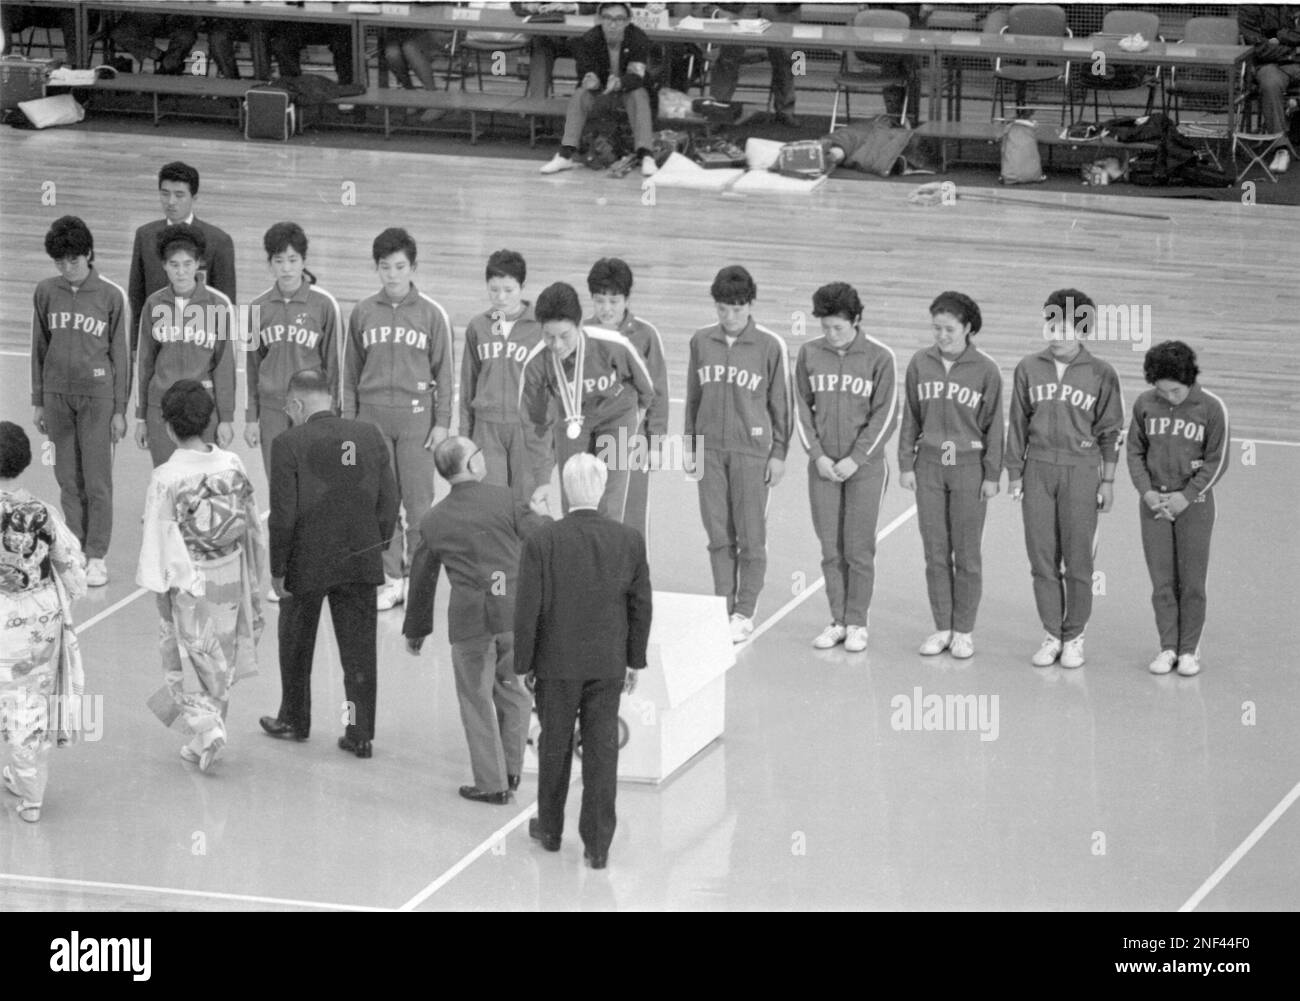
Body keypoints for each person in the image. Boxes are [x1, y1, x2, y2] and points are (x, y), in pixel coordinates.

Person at [515, 454, 652, 869]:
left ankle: (552, 830)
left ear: (565, 491)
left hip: (556, 664)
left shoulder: (543, 540)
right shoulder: (628, 540)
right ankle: (597, 845)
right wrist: (635, 661)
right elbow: (640, 605)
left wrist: (524, 663)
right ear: (603, 487)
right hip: (607, 663)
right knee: (601, 749)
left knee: (554, 745)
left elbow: (528, 608)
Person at [402, 437, 550, 803]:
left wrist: (417, 629)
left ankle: (491, 783)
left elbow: (422, 578)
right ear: (471, 466)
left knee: (476, 699)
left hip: (470, 623)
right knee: (514, 690)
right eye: (478, 453)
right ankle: (513, 771)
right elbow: (542, 536)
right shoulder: (504, 499)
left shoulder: (434, 520)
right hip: (515, 613)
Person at [261, 369, 399, 758]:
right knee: (358, 653)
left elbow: (283, 515)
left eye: (288, 408)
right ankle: (358, 732)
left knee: (295, 646)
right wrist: (377, 543)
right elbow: (390, 499)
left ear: (297, 404)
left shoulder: (287, 443)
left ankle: (294, 718)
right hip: (359, 558)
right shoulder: (369, 435)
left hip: (305, 562)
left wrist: (277, 568)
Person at [136, 381, 267, 773]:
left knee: (189, 655)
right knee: (220, 656)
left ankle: (208, 730)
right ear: (211, 420)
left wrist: (158, 586)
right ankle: (206, 733)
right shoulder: (233, 464)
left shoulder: (166, 476)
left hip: (189, 580)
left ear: (169, 427)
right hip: (229, 570)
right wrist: (256, 574)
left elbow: (157, 538)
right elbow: (252, 520)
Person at [1005, 289, 1124, 670]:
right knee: (1041, 558)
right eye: (1050, 324)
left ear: (1083, 329)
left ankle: (1074, 636)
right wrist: (1015, 474)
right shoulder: (1028, 367)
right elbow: (1017, 425)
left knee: (1077, 561)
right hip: (1038, 468)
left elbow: (1111, 431)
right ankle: (1052, 634)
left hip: (1082, 469)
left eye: (1065, 326)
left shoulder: (1102, 373)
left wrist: (1107, 482)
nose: (1055, 333)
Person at [343, 228, 453, 612]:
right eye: (385, 267)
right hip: (371, 421)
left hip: (417, 422)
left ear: (413, 267)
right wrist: (350, 424)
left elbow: (446, 373)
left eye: (400, 266)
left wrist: (442, 423)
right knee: (381, 506)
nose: (392, 275)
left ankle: (417, 580)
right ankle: (390, 579)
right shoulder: (362, 312)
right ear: (376, 268)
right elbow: (349, 374)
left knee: (420, 507)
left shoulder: (432, 315)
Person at [684, 265, 791, 644]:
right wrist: (690, 445)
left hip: (752, 452)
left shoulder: (769, 346)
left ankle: (744, 611)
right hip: (709, 450)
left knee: (750, 536)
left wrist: (778, 452)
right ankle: (721, 606)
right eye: (721, 309)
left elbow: (781, 405)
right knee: (717, 535)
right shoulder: (701, 342)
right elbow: (693, 399)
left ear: (750, 305)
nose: (729, 317)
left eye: (737, 309)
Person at [897, 292, 1003, 660]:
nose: (942, 336)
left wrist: (992, 474)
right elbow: (910, 416)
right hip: (928, 466)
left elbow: (995, 427)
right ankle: (942, 627)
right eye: (937, 328)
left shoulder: (985, 370)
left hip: (968, 468)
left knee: (967, 554)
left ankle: (964, 631)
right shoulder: (919, 363)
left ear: (968, 328)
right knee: (935, 552)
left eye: (950, 329)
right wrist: (905, 464)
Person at [793, 282, 897, 654]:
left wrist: (857, 458)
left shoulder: (880, 357)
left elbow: (886, 415)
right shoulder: (808, 354)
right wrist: (818, 455)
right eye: (825, 327)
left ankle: (857, 623)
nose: (831, 334)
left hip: (864, 470)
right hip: (823, 468)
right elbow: (801, 410)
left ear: (856, 319)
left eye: (838, 327)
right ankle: (837, 620)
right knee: (830, 549)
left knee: (858, 549)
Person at [30, 216, 130, 589]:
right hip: (57, 397)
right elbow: (38, 348)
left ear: (88, 253)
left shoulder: (110, 296)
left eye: (73, 260)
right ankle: (73, 549)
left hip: (98, 398)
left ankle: (97, 555)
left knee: (97, 481)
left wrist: (120, 408)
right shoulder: (45, 292)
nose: (67, 268)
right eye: (60, 262)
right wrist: (39, 399)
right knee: (66, 478)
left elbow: (121, 356)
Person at [0, 422, 87, 823]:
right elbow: (69, 565)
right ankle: (30, 787)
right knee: (29, 702)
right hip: (38, 619)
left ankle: (23, 779)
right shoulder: (42, 512)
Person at [1126, 341, 1229, 677]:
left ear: (1190, 381)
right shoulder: (1144, 404)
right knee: (1162, 582)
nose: (1169, 397)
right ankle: (1168, 647)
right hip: (1154, 505)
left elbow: (1217, 459)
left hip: (1193, 506)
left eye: (1176, 391)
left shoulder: (1212, 408)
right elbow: (1135, 453)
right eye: (1163, 391)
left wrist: (1188, 494)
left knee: (1192, 581)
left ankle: (1189, 649)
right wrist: (1147, 492)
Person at [520, 282, 656, 522]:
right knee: (572, 500)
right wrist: (542, 478)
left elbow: (644, 385)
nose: (557, 345)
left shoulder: (612, 344)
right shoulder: (536, 363)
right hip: (571, 421)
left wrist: (639, 416)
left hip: (616, 417)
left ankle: (609, 555)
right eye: (549, 336)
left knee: (610, 501)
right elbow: (534, 424)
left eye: (564, 336)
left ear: (580, 324)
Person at [244, 222, 343, 477]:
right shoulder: (257, 308)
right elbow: (252, 368)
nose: (286, 268)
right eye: (279, 260)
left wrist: (333, 416)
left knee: (313, 480)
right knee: (279, 480)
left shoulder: (325, 305)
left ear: (303, 261)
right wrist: (251, 418)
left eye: (292, 259)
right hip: (272, 410)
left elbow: (334, 367)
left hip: (312, 409)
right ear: (269, 264)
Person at [135, 223, 237, 467]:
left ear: (198, 263)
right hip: (161, 409)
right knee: (166, 477)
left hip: (203, 410)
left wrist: (226, 418)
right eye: (174, 265)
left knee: (201, 484)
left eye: (187, 264)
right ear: (164, 265)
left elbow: (225, 365)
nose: (181, 272)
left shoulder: (219, 305)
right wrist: (140, 417)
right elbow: (144, 363)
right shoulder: (153, 304)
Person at [586, 257, 668, 540]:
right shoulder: (582, 332)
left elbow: (657, 391)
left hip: (632, 441)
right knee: (591, 512)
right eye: (599, 301)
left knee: (629, 517)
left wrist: (655, 442)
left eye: (614, 301)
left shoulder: (645, 335)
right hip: (589, 438)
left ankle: (633, 581)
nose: (606, 309)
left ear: (627, 299)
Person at [458, 249, 546, 506]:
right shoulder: (478, 326)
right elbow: (467, 385)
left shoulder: (540, 328)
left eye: (508, 290)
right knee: (489, 505)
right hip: (487, 429)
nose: (501, 297)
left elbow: (551, 388)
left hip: (527, 431)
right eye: (494, 289)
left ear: (523, 287)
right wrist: (465, 437)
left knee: (526, 507)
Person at [129, 162, 237, 360]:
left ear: (194, 197)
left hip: (200, 348)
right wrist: (136, 346)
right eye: (164, 193)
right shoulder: (144, 236)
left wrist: (222, 355)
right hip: (157, 345)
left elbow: (226, 305)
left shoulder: (219, 241)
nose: (171, 202)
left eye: (179, 195)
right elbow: (136, 297)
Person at [538, 2, 660, 178]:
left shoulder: (638, 39)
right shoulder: (588, 40)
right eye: (608, 18)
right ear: (598, 19)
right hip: (601, 92)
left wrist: (619, 83)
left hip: (627, 88)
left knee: (639, 95)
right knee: (580, 95)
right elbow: (585, 70)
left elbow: (637, 76)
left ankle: (646, 154)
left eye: (619, 19)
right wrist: (590, 79)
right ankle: (565, 154)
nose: (613, 24)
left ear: (628, 21)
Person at [700, 3, 801, 127]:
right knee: (727, 57)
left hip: (782, 7)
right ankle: (718, 111)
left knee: (786, 57)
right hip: (738, 5)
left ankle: (786, 111)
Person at [1239, 4, 1300, 174]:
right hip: (1270, 65)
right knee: (1270, 83)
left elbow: (1271, 41)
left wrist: (1279, 37)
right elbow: (1259, 48)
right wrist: (1293, 51)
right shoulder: (1248, 7)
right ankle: (1281, 148)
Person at [382, 28, 452, 124]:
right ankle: (411, 95)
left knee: (409, 47)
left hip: (428, 30)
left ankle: (435, 99)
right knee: (392, 54)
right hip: (397, 31)